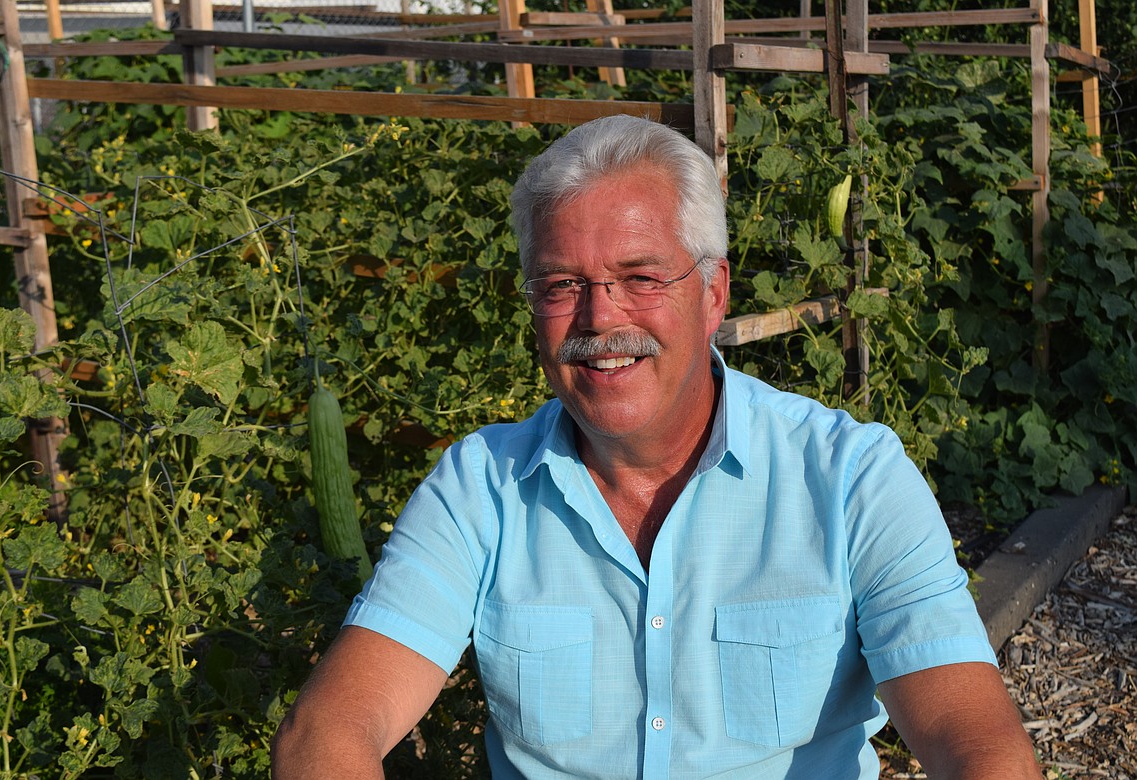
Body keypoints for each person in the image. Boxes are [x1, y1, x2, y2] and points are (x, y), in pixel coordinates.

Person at [271, 115, 1041, 779]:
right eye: (561, 283)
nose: (600, 319)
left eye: (640, 277)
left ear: (713, 293)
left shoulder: (848, 478)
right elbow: (330, 729)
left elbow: (976, 742)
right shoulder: (482, 487)